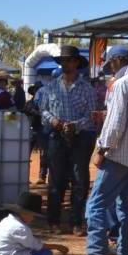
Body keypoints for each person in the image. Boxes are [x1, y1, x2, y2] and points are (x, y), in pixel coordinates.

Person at [67, 46, 128, 255]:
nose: (108, 66)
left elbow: (115, 124)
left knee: (95, 206)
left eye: (109, 62)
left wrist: (102, 148)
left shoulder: (122, 84)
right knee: (127, 209)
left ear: (117, 60)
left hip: (117, 155)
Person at [39, 46, 97, 236]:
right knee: (56, 180)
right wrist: (53, 120)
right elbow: (43, 111)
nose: (66, 63)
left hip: (80, 137)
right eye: (63, 60)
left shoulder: (87, 89)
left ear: (76, 63)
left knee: (80, 180)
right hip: (57, 137)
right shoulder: (50, 87)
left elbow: (92, 116)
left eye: (69, 60)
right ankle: (53, 222)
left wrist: (76, 125)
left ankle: (76, 222)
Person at [0, 192, 68, 255]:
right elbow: (37, 246)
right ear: (24, 213)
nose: (33, 218)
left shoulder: (6, 220)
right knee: (47, 253)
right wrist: (58, 247)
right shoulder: (20, 227)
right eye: (33, 215)